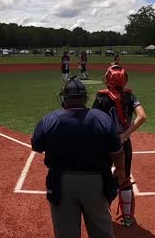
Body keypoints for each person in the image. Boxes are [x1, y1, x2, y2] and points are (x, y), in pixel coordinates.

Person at [32, 78, 125, 238]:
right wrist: (121, 169)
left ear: (64, 98)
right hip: (97, 182)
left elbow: (37, 146)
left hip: (61, 183)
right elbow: (117, 151)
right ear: (85, 97)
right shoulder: (102, 118)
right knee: (102, 233)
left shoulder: (50, 119)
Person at [92, 65, 147, 227]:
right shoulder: (130, 96)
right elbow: (142, 117)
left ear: (109, 80)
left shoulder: (101, 98)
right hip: (123, 142)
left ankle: (102, 213)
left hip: (104, 144)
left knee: (102, 176)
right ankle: (128, 217)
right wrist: (125, 134)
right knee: (124, 178)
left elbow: (94, 120)